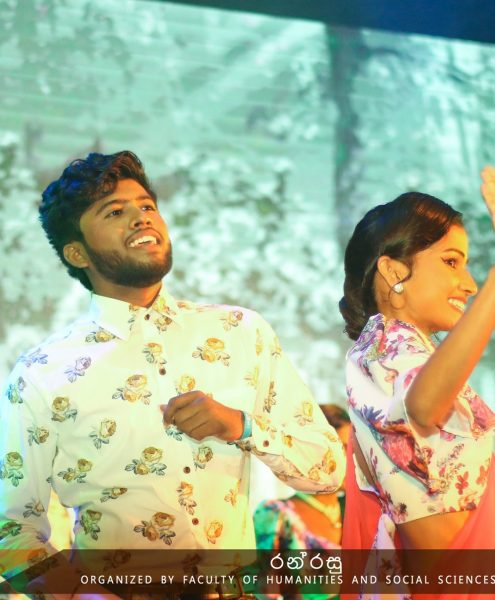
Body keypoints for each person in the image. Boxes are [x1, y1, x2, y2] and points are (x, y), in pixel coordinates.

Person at [0, 150, 345, 598]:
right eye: (115, 212)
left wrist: (241, 426)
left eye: (147, 206)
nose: (142, 218)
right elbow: (10, 528)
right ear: (77, 252)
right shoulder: (43, 372)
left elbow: (327, 470)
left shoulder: (240, 332)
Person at [339, 185, 495, 594]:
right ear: (394, 271)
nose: (469, 284)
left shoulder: (412, 352)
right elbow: (421, 407)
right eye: (451, 261)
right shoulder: (384, 343)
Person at [254, 404, 350, 552]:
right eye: (343, 449)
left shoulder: (357, 512)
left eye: (355, 451)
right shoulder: (275, 515)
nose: (353, 461)